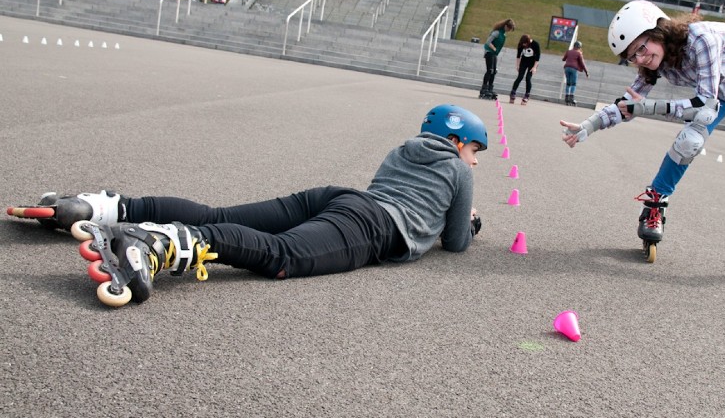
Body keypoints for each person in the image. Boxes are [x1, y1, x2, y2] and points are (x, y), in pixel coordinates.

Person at [7, 105, 487, 307]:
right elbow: (457, 243)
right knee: (282, 256)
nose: (474, 162)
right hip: (374, 223)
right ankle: (159, 243)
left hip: (339, 198)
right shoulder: (458, 171)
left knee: (219, 213)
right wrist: (469, 221)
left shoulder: (402, 150)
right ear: (455, 140)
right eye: (474, 150)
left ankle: (101, 207)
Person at [560, 0, 725, 276]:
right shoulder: (654, 62)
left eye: (641, 48)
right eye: (631, 56)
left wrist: (646, 107)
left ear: (659, 31)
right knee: (689, 141)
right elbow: (627, 104)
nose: (640, 59)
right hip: (724, 92)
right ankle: (655, 205)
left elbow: (704, 108)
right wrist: (589, 125)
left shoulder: (701, 40)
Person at [479, 18, 515, 100]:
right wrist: (494, 48)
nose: (509, 30)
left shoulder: (503, 35)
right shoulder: (497, 32)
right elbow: (488, 42)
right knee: (489, 70)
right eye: (509, 28)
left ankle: (490, 88)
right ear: (505, 26)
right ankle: (484, 88)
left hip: (494, 54)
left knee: (494, 71)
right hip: (489, 52)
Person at [509, 34, 540, 105]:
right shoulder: (520, 45)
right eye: (523, 44)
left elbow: (538, 58)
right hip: (523, 61)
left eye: (525, 44)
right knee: (520, 77)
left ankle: (527, 95)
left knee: (528, 78)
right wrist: (517, 65)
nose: (524, 45)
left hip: (532, 63)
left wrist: (534, 67)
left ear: (528, 42)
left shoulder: (535, 44)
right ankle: (513, 92)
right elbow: (518, 56)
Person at [561, 40, 589, 106]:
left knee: (568, 83)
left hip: (567, 68)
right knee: (573, 83)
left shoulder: (569, 51)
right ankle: (571, 98)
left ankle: (567, 97)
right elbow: (582, 63)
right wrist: (586, 72)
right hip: (574, 69)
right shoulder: (578, 53)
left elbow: (563, 59)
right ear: (579, 47)